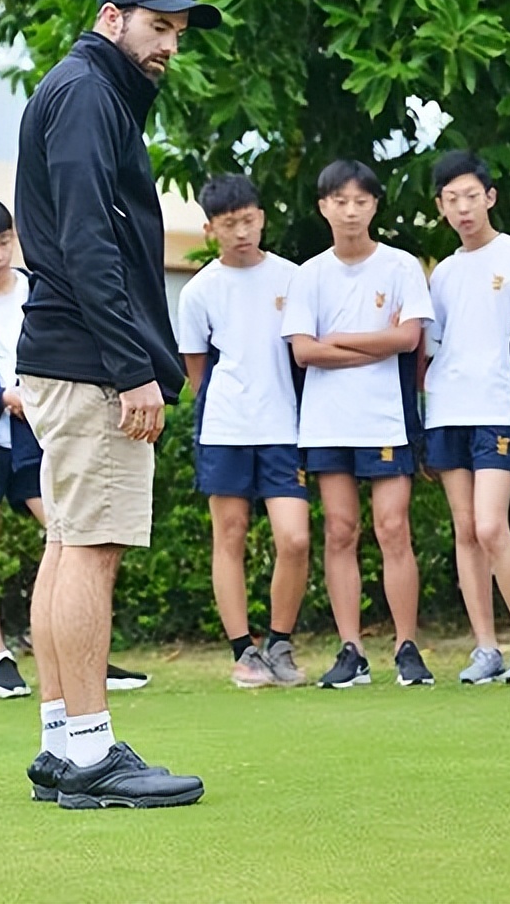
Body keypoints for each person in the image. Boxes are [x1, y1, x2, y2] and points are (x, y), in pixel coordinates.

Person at [13, 0, 219, 809]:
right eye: (157, 25)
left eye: (176, 31)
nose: (168, 43)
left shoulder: (79, 90)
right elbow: (91, 241)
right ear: (111, 19)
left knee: (67, 545)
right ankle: (94, 756)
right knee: (89, 550)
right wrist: (133, 364)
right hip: (92, 358)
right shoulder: (91, 94)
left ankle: (64, 744)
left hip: (64, 352)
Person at [0, 199, 151, 700]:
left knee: (77, 540)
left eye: (4, 241)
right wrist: (2, 396)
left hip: (44, 438)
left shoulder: (42, 288)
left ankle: (85, 653)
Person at [282, 160, 436, 689]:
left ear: (374, 205)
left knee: (393, 529)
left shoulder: (400, 267)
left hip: (387, 419)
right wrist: (373, 340)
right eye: (339, 201)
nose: (350, 211)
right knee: (340, 531)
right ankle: (351, 649)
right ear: (323, 206)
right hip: (326, 424)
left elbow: (408, 339)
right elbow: (303, 352)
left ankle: (406, 647)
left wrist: (339, 341)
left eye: (361, 201)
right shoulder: (308, 274)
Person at [423, 151, 510, 685]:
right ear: (441, 208)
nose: (463, 208)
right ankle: (486, 648)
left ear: (491, 197)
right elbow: (430, 351)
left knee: (490, 525)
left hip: (499, 409)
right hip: (447, 411)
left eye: (471, 196)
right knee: (465, 531)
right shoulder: (443, 274)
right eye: (451, 200)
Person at [177, 174, 310, 689]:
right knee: (229, 536)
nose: (242, 233)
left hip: (286, 427)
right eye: (230, 225)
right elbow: (196, 372)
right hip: (225, 427)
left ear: (262, 217)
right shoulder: (198, 291)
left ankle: (279, 641)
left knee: (294, 538)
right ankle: (243, 651)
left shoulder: (293, 278)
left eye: (249, 220)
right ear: (211, 228)